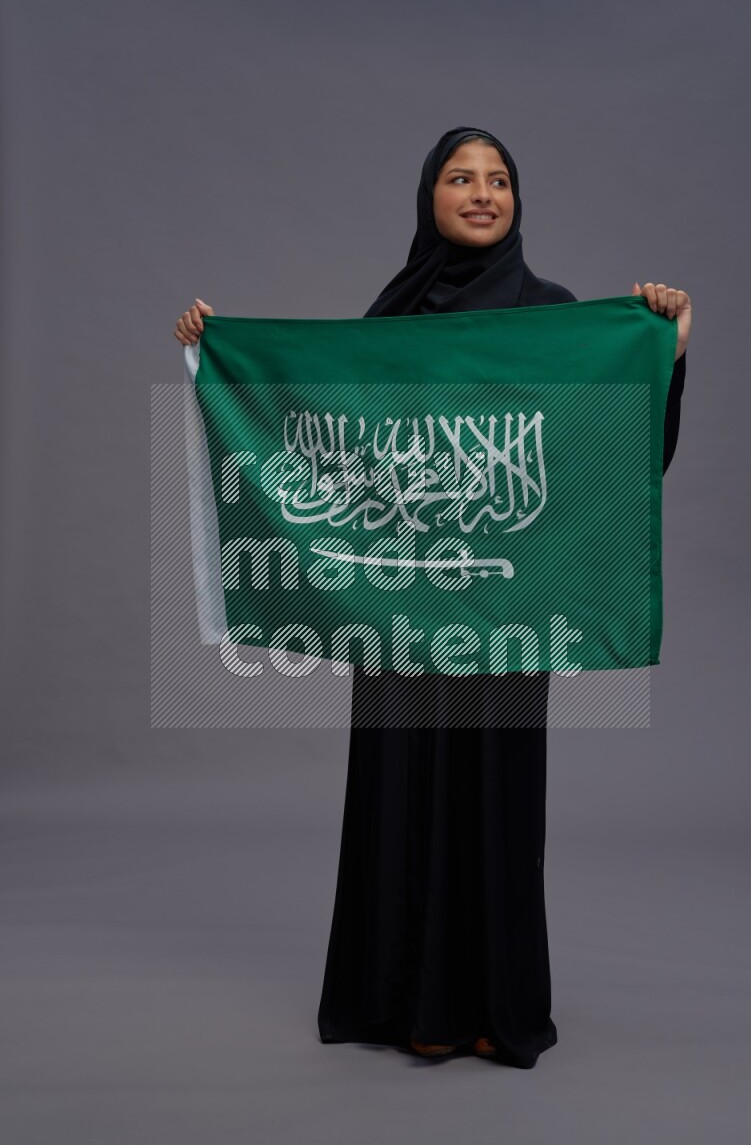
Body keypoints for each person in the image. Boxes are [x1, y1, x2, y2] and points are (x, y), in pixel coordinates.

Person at [173, 126, 691, 1069]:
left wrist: (665, 351)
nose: (483, 193)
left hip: (506, 613)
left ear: (518, 201)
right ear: (430, 197)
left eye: (499, 180)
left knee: (496, 806)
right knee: (400, 796)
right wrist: (222, 356)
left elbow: (613, 460)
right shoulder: (391, 321)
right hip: (405, 610)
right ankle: (399, 1001)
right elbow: (327, 445)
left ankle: (492, 1006)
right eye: (461, 177)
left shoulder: (560, 319)